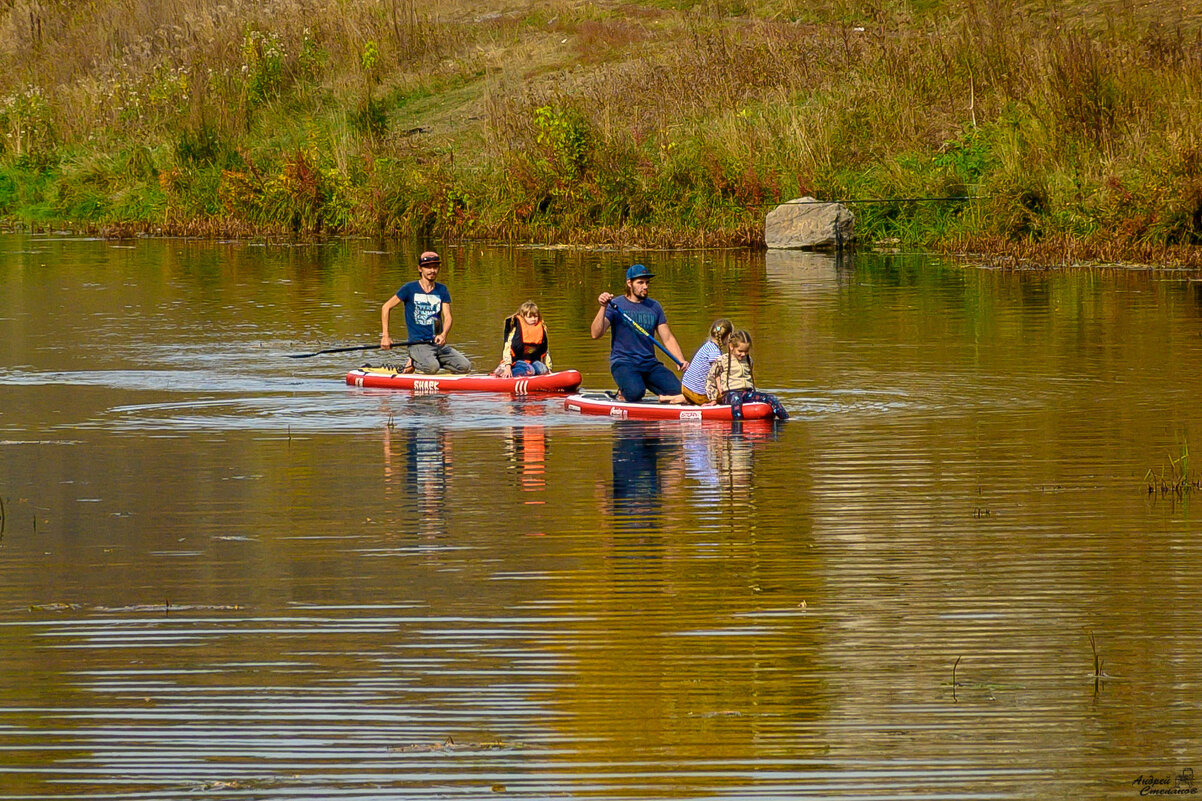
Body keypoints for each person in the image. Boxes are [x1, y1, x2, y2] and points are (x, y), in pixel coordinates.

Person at [590, 264, 689, 402]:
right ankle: (623, 392)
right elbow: (596, 334)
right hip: (624, 363)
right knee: (636, 393)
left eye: (647, 283)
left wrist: (680, 359)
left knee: (680, 392)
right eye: (640, 282)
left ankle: (663, 399)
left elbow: (667, 338)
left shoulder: (654, 306)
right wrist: (603, 307)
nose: (645, 286)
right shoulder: (615, 305)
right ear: (629, 283)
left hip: (649, 363)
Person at [380, 251, 471, 374]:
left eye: (435, 267)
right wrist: (386, 336)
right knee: (432, 368)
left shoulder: (442, 290)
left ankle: (430, 361)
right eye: (428, 267)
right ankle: (413, 360)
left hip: (437, 344)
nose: (432, 270)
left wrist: (443, 335)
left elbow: (448, 317)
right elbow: (386, 307)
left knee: (465, 366)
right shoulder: (409, 288)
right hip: (417, 343)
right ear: (420, 269)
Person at [705, 329, 789, 420]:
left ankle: (786, 419)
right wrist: (713, 399)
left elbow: (750, 377)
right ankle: (738, 427)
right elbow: (711, 377)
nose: (743, 354)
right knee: (736, 398)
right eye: (740, 351)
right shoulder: (722, 360)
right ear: (731, 346)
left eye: (746, 351)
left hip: (747, 393)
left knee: (771, 398)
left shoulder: (749, 360)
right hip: (730, 395)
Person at [678, 318, 734, 405]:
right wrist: (723, 395)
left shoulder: (708, 345)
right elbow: (717, 376)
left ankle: (672, 398)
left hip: (686, 387)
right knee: (732, 392)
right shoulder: (715, 352)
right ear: (729, 335)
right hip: (697, 393)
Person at [495, 301, 553, 378]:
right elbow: (507, 348)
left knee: (542, 370)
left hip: (532, 361)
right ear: (523, 316)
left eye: (535, 316)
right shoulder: (516, 329)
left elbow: (545, 351)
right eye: (530, 317)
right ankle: (503, 372)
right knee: (530, 371)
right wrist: (507, 366)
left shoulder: (541, 328)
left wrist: (548, 369)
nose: (533, 319)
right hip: (516, 361)